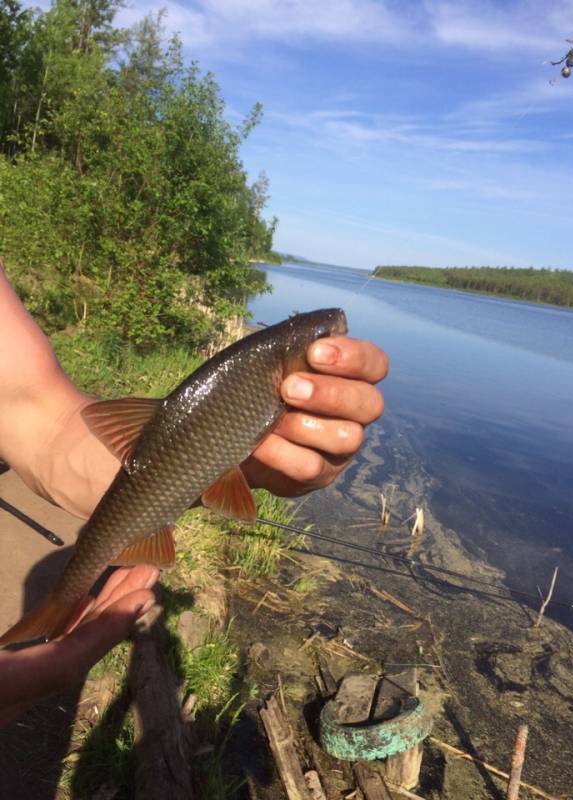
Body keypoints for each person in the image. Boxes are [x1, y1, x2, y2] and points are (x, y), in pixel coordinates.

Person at [0, 266, 388, 725]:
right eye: (323, 335)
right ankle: (57, 608)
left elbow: (41, 419)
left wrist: (246, 468)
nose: (333, 332)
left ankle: (57, 607)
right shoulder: (261, 365)